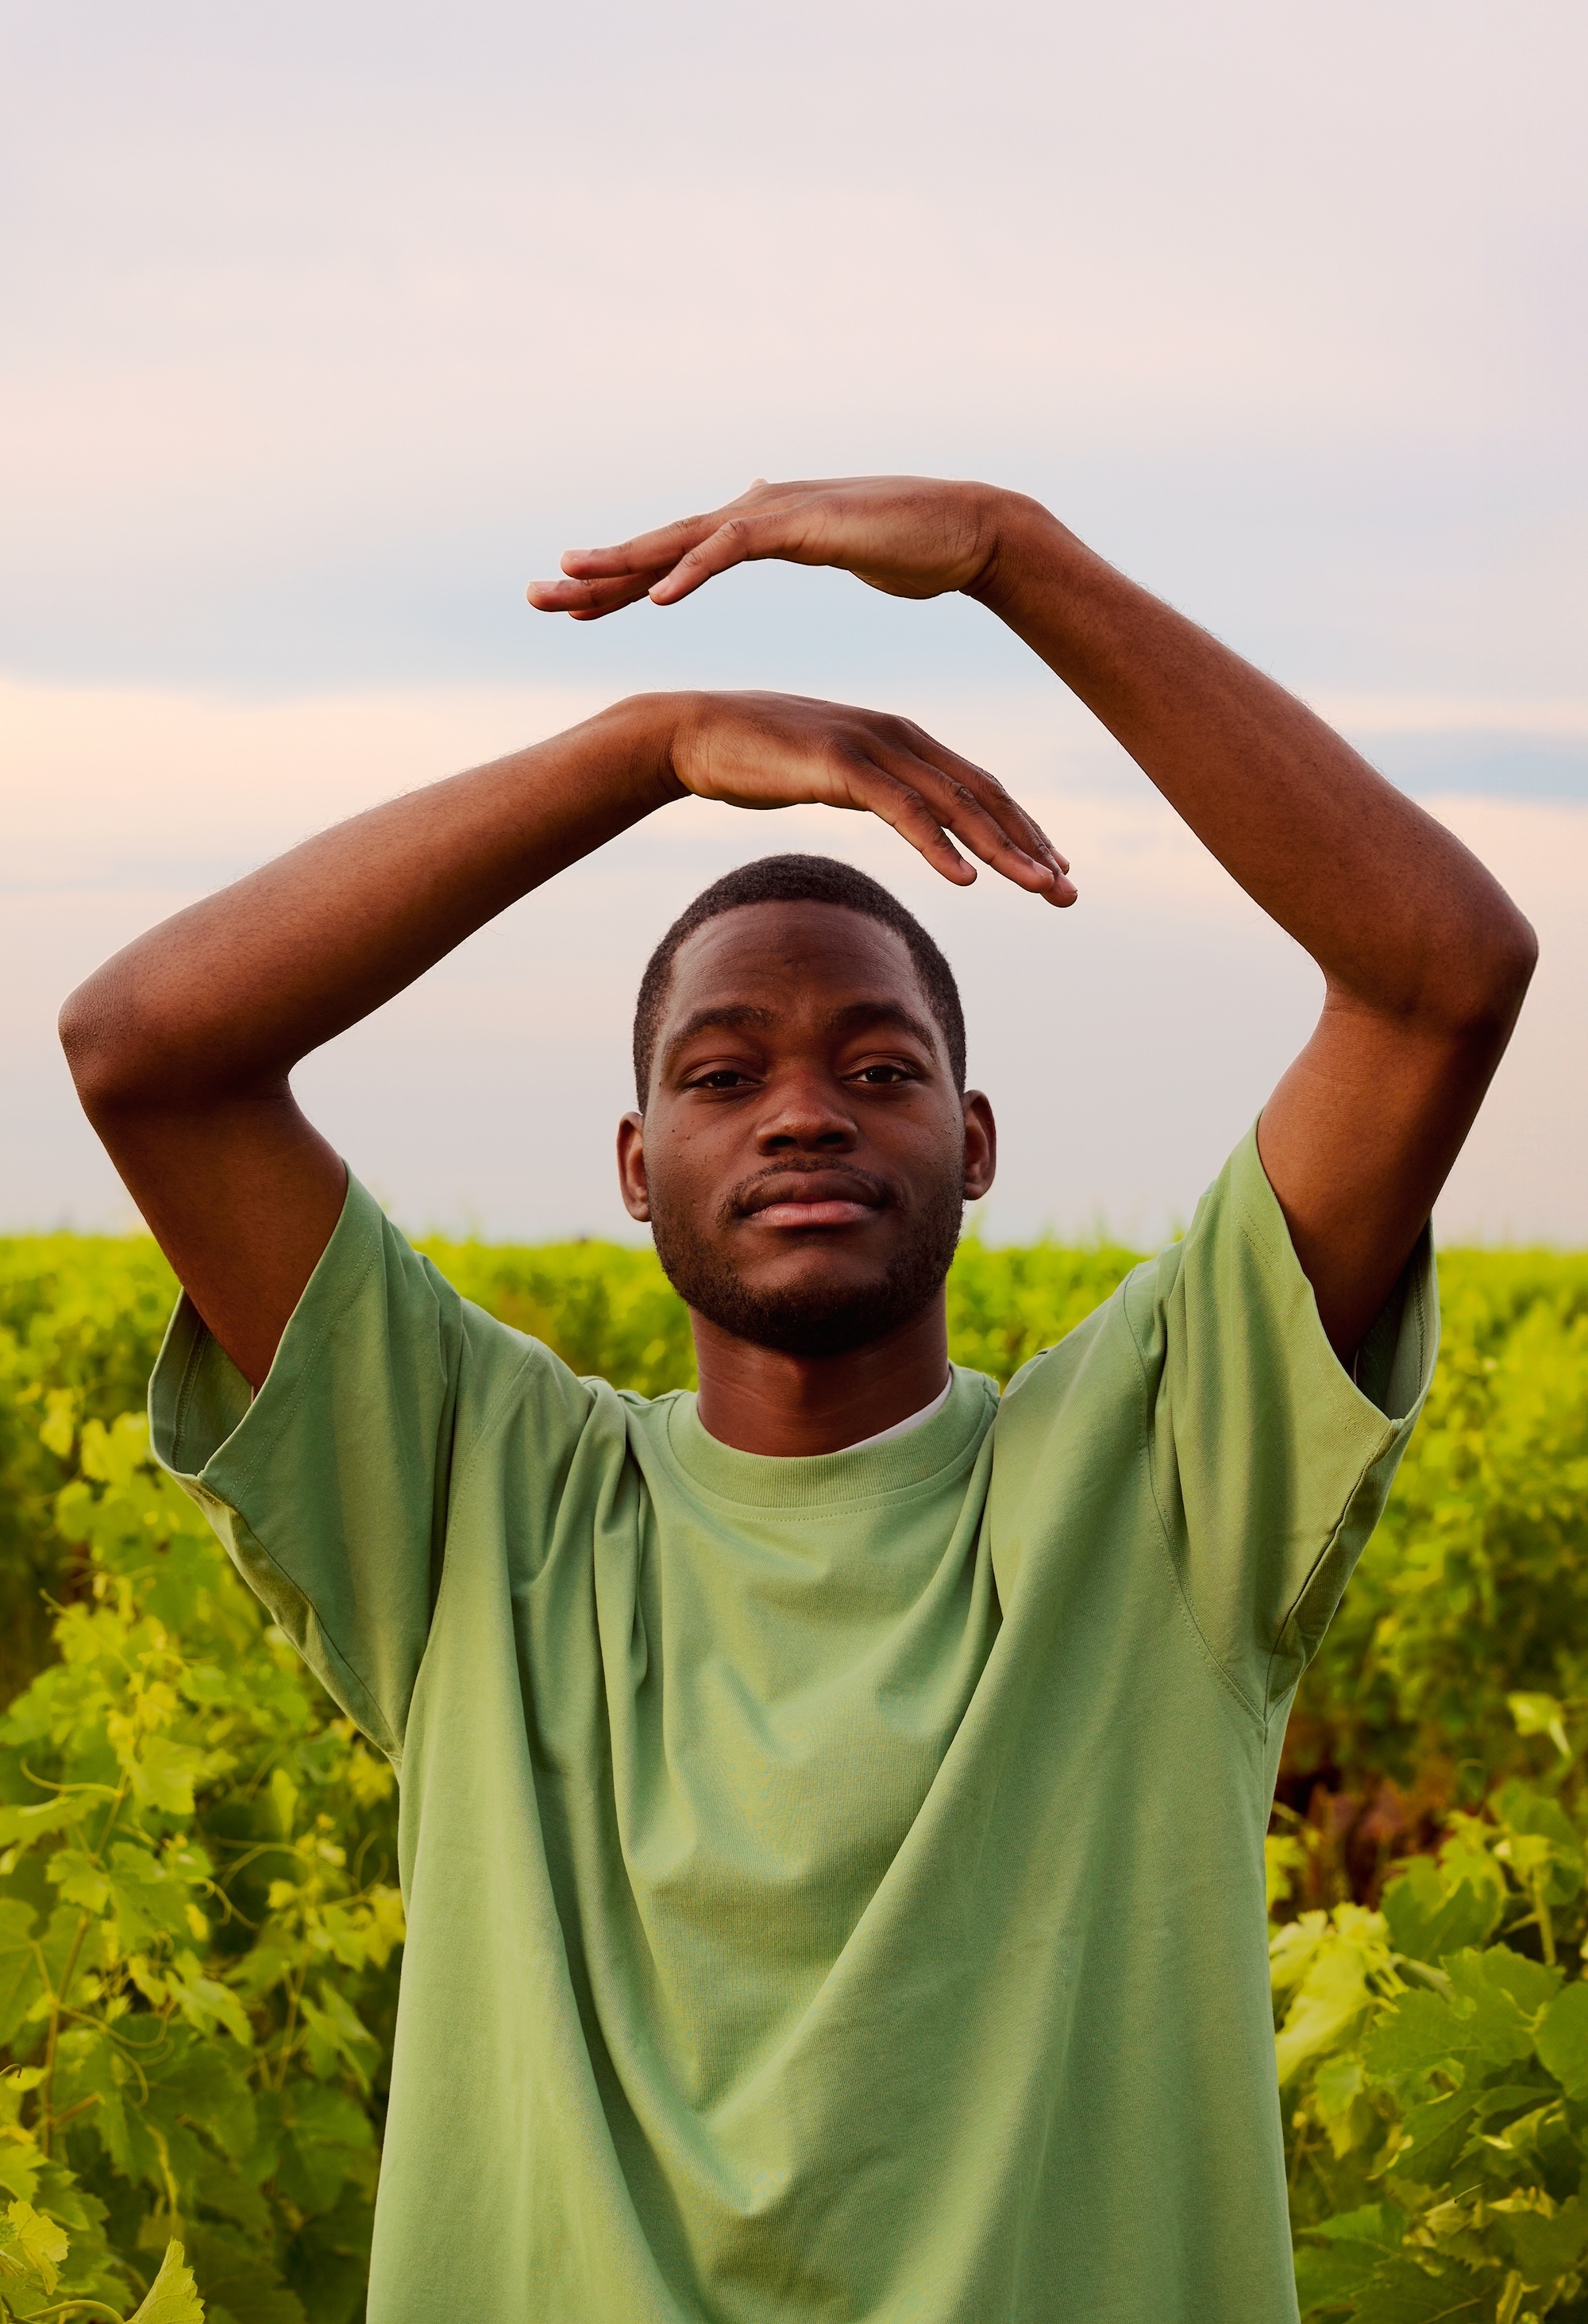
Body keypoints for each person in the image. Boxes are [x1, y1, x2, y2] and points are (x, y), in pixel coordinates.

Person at [60, 476, 1535, 2323]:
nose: (802, 1109)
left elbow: (1437, 978)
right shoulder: (481, 1508)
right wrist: (649, 742)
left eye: (879, 1064)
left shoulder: (1156, 1479)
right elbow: (149, 1053)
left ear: (974, 1142)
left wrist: (1015, 556)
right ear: (631, 1162)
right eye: (721, 1071)